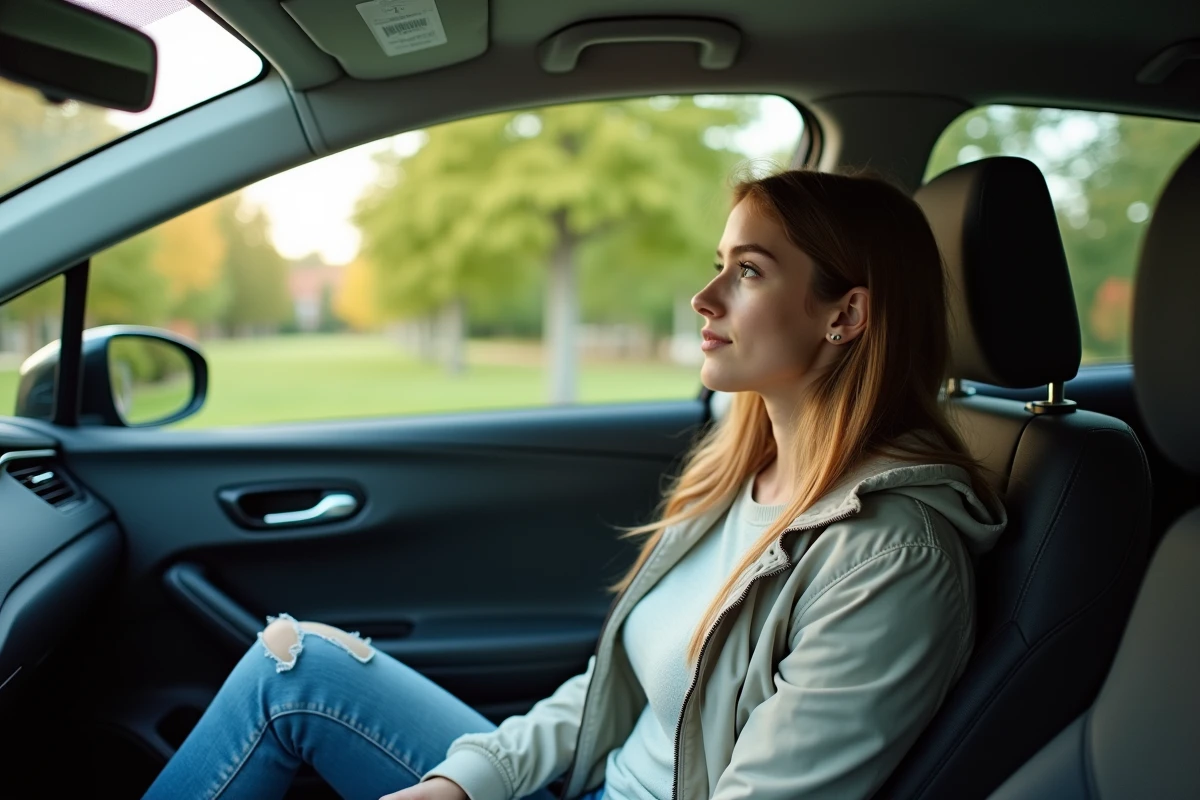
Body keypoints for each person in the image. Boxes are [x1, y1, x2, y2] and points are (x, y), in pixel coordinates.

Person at [142, 168, 1006, 800]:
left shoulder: (889, 556)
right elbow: (611, 688)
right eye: (719, 262)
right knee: (294, 666)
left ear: (845, 314)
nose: (704, 297)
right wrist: (464, 782)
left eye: (747, 270)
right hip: (587, 785)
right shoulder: (744, 470)